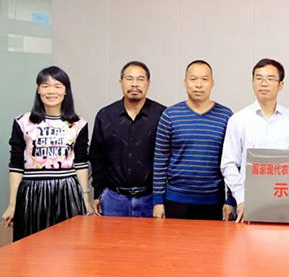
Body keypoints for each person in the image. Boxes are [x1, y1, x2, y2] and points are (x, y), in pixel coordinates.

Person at [2, 66, 91, 241]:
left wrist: (85, 200)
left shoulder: (78, 124)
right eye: (45, 86)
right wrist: (12, 205)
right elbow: (16, 165)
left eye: (57, 86)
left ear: (66, 91)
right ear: (38, 90)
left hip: (66, 191)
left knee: (68, 245)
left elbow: (81, 164)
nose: (51, 91)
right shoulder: (23, 122)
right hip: (32, 191)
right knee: (31, 245)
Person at [221, 59, 289, 222]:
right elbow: (228, 164)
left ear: (281, 85)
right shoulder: (238, 120)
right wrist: (241, 198)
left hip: (285, 201)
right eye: (259, 78)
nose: (264, 83)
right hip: (249, 202)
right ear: (253, 83)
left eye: (270, 78)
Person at [152, 60, 234, 220]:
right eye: (193, 79)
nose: (198, 85)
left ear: (212, 83)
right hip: (175, 201)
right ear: (185, 83)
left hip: (213, 202)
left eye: (204, 79)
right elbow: (160, 161)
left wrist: (231, 199)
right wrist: (157, 201)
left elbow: (232, 161)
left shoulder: (226, 116)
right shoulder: (170, 115)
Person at [89, 61, 165, 217]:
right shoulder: (105, 116)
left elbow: (168, 158)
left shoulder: (162, 115)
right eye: (129, 79)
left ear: (148, 84)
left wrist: (161, 199)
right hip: (114, 199)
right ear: (121, 83)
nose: (134, 84)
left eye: (140, 79)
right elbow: (97, 158)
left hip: (151, 199)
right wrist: (97, 194)